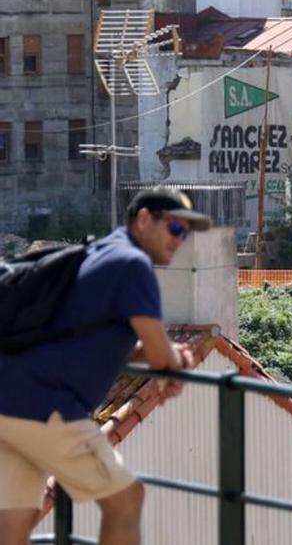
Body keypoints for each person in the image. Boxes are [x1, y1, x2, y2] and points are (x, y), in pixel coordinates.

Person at [0, 187, 210, 545]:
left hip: (9, 397)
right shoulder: (134, 265)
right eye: (175, 228)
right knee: (126, 499)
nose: (180, 240)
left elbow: (100, 344)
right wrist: (178, 359)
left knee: (13, 526)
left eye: (186, 233)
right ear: (144, 219)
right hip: (45, 406)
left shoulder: (98, 251)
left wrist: (156, 354)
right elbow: (162, 354)